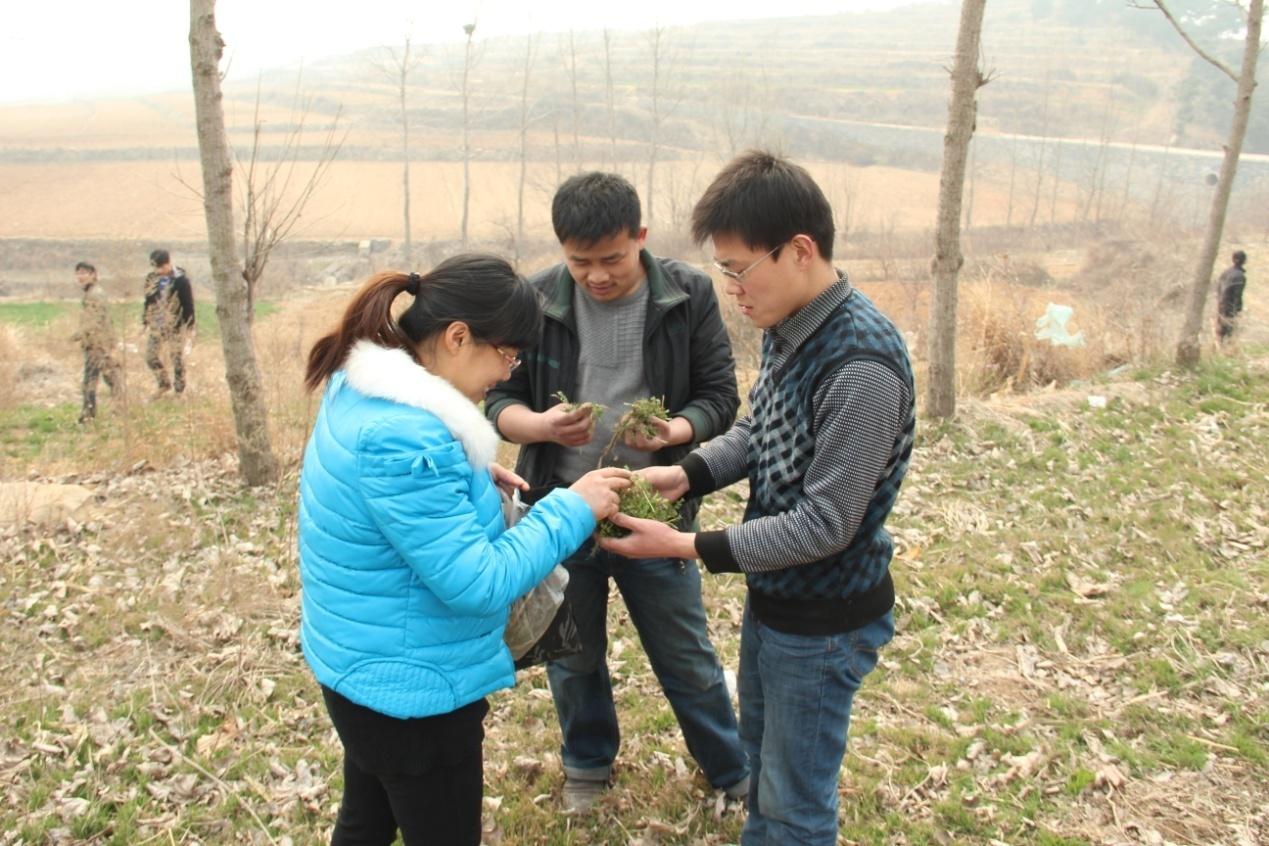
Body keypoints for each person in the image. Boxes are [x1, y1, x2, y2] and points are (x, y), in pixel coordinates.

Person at [599, 151, 916, 846]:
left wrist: (684, 545)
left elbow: (825, 525)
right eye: (724, 272)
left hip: (824, 622)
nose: (733, 289)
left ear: (799, 251)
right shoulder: (791, 328)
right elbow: (759, 430)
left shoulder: (860, 366)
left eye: (739, 269)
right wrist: (689, 474)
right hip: (777, 603)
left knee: (795, 804)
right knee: (762, 769)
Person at [297, 254, 630, 846]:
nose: (507, 372)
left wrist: (473, 480)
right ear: (457, 337)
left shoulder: (366, 390)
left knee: (366, 821)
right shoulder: (403, 437)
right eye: (507, 354)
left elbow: (399, 513)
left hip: (366, 665)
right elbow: (476, 582)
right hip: (413, 689)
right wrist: (572, 507)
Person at [484, 172, 749, 811]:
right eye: (581, 262)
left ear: (641, 238)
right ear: (561, 251)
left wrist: (677, 430)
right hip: (558, 507)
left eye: (612, 259)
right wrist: (541, 425)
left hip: (652, 510)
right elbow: (499, 398)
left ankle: (731, 770)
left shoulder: (686, 296)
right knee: (572, 655)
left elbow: (720, 395)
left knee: (683, 652)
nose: (596, 276)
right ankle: (587, 764)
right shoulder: (539, 299)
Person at [71, 261, 120, 423]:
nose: (80, 276)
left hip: (96, 343)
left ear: (93, 274)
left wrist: (78, 335)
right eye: (78, 273)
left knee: (90, 380)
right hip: (100, 342)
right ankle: (121, 409)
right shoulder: (92, 292)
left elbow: (95, 320)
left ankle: (88, 415)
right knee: (111, 378)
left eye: (84, 273)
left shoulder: (95, 294)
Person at [142, 248, 196, 395]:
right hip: (157, 324)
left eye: (161, 267)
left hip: (175, 325)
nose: (158, 270)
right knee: (150, 356)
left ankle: (179, 390)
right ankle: (163, 383)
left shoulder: (181, 280)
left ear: (168, 263)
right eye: (155, 267)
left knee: (176, 357)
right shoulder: (151, 279)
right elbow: (148, 301)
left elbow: (188, 304)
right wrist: (145, 320)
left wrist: (189, 326)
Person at [1216, 250, 1247, 347]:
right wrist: (1237, 309)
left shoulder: (1225, 273)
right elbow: (1237, 296)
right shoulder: (1240, 276)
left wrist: (1220, 304)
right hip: (1230, 308)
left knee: (1221, 332)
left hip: (1221, 306)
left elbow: (1218, 289)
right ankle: (1227, 350)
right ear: (1244, 261)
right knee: (1230, 332)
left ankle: (1219, 349)